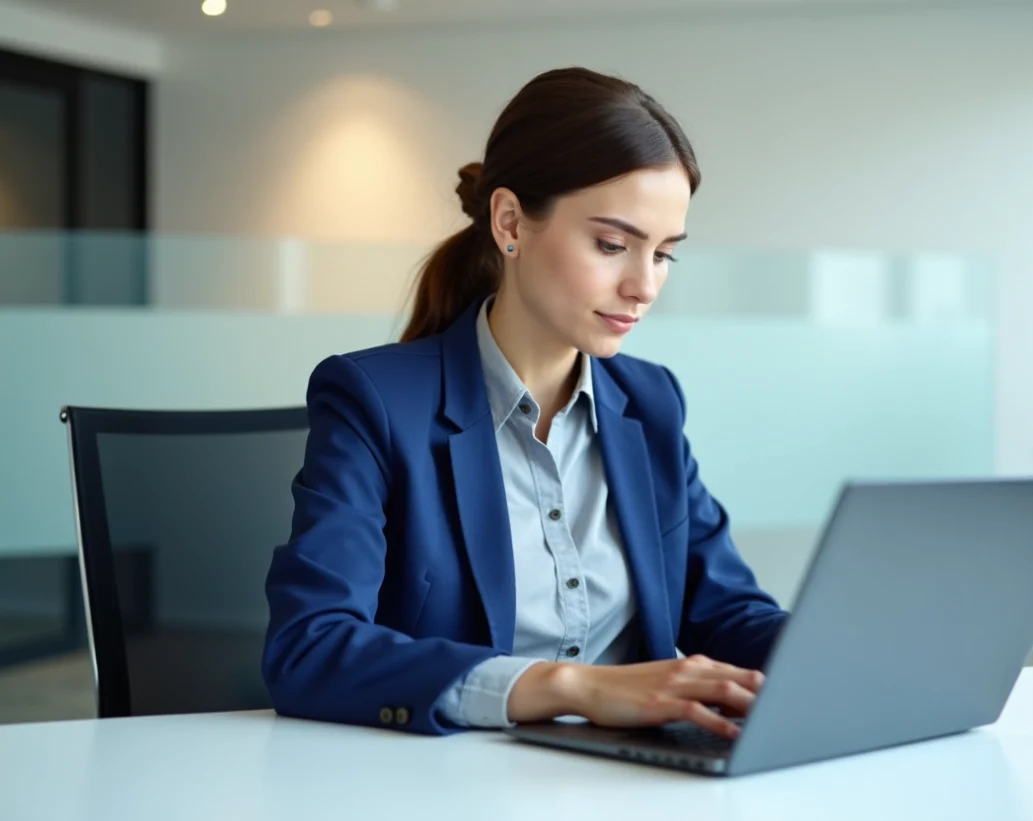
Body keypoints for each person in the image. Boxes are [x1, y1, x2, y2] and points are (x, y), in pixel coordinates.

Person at [262, 66, 788, 739]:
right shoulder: (375, 401)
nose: (643, 285)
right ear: (510, 221)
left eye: (664, 255)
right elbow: (311, 647)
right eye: (612, 244)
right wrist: (575, 687)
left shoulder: (649, 402)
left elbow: (728, 613)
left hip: (638, 786)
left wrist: (855, 658)